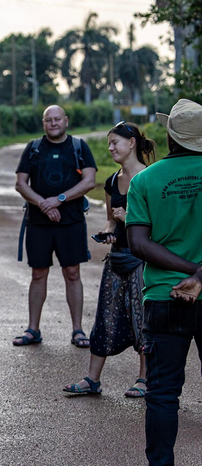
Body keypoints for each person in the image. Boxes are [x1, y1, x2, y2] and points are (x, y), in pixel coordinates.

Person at [126, 99, 202, 466]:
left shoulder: (144, 180)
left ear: (170, 135)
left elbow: (138, 243)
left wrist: (189, 272)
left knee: (163, 394)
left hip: (164, 298)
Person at [63, 122, 156, 396]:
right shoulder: (112, 181)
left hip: (143, 261)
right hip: (117, 259)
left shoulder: (150, 178)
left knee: (143, 320)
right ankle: (92, 379)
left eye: (115, 142)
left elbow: (157, 226)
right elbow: (109, 221)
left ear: (132, 143)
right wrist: (107, 233)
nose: (111, 148)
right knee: (105, 318)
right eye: (109, 144)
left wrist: (128, 220)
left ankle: (144, 379)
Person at [14, 105, 97, 347]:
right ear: (43, 123)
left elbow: (90, 181)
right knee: (38, 274)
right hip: (38, 222)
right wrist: (43, 204)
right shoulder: (33, 148)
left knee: (72, 274)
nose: (53, 123)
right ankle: (33, 329)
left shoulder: (79, 147)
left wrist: (59, 200)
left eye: (57, 119)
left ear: (66, 121)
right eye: (48, 120)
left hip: (71, 222)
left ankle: (78, 330)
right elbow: (21, 183)